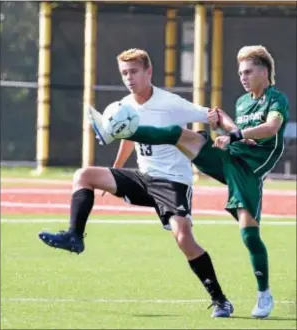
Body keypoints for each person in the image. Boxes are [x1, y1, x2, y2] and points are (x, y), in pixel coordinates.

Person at [92, 45, 289, 319]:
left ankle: (264, 293)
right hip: (228, 157)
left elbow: (271, 128)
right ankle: (120, 129)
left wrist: (235, 134)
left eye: (248, 71)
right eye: (240, 72)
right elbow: (229, 128)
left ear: (264, 71)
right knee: (178, 134)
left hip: (248, 172)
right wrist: (222, 126)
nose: (242, 77)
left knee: (249, 233)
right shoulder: (243, 102)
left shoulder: (276, 99)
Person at [39, 48, 233, 318]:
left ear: (148, 72)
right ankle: (74, 236)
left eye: (134, 72)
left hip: (173, 182)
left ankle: (220, 300)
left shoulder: (170, 103)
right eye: (124, 73)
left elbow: (212, 114)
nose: (129, 78)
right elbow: (129, 136)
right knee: (84, 175)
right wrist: (116, 170)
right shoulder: (124, 106)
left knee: (183, 238)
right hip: (143, 179)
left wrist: (235, 133)